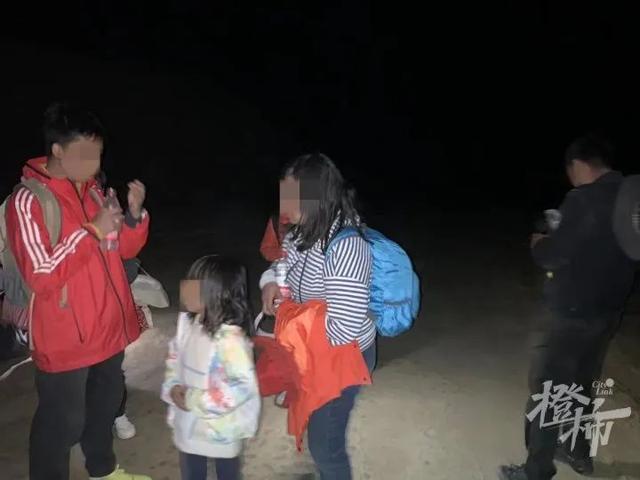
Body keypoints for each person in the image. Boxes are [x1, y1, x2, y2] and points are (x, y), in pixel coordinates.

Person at [4, 102, 151, 480]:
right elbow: (40, 274)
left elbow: (122, 250)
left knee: (104, 409)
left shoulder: (96, 193)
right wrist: (92, 231)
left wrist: (134, 217)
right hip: (66, 338)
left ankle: (103, 471)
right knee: (61, 424)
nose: (93, 162)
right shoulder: (28, 201)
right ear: (57, 149)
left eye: (97, 153)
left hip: (107, 329)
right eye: (85, 153)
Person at [499, 135, 636, 480]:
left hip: (570, 312)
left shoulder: (583, 199)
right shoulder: (630, 198)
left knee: (548, 389)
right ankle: (578, 453)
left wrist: (539, 243)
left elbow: (553, 255)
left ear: (578, 165)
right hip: (608, 312)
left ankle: (536, 470)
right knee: (581, 386)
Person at [260, 153, 376, 479]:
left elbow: (343, 329)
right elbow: (282, 265)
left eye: (291, 197)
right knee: (319, 430)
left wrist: (289, 318)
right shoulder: (301, 232)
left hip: (343, 358)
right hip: (313, 351)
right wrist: (270, 282)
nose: (284, 206)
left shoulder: (346, 247)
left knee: (325, 447)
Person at [161, 255, 260, 480]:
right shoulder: (188, 324)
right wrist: (173, 385)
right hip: (188, 425)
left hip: (221, 431)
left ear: (218, 294)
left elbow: (242, 386)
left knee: (227, 472)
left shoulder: (231, 340)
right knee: (191, 470)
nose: (185, 288)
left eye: (194, 283)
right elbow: (175, 357)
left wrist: (193, 400)